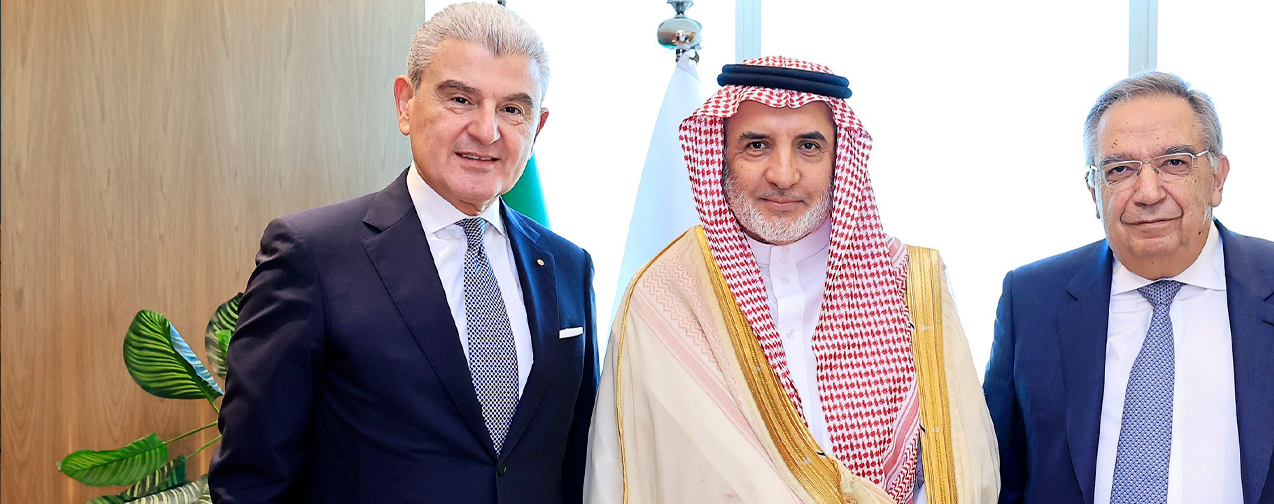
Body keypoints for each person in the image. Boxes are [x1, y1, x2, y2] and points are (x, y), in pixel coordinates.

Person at [210, 4, 597, 503]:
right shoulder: (312, 255)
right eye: (460, 99)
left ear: (537, 127)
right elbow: (251, 478)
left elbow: (578, 463)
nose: (487, 131)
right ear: (405, 104)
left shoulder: (568, 266)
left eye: (512, 109)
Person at [584, 56, 1000, 504]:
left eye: (808, 146)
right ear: (719, 154)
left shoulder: (913, 284)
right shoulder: (662, 295)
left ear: (840, 158)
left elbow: (957, 466)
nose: (783, 175)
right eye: (757, 145)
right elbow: (620, 477)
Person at [983, 72, 1274, 504]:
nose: (1147, 192)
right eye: (1119, 169)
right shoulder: (1029, 300)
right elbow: (994, 481)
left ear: (1217, 178)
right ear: (1093, 191)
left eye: (1175, 163)